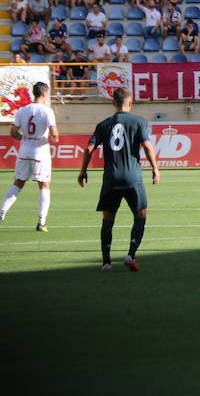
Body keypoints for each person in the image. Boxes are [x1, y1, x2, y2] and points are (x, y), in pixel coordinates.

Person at [78, 87, 160, 272]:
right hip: (132, 177)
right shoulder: (139, 121)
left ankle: (106, 263)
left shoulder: (103, 124)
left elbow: (88, 149)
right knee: (140, 215)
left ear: (113, 103)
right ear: (130, 103)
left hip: (111, 179)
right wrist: (155, 168)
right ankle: (130, 255)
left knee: (108, 220)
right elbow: (147, 146)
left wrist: (83, 171)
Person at [0, 82, 58, 232]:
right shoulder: (47, 111)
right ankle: (41, 222)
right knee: (44, 185)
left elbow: (13, 132)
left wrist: (25, 139)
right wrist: (55, 137)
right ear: (45, 94)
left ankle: (0, 215)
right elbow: (54, 133)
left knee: (18, 183)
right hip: (40, 152)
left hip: (24, 151)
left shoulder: (22, 110)